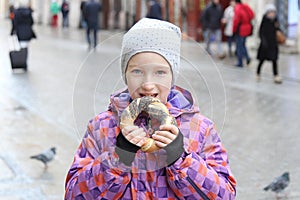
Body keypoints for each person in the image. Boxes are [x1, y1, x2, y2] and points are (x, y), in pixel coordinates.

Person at [64, 18, 236, 199]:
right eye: (137, 71)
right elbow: (73, 195)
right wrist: (117, 159)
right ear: (125, 74)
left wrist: (181, 159)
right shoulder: (101, 127)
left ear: (172, 76)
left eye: (160, 72)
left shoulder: (200, 129)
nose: (147, 84)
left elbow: (225, 196)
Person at [256, 4, 282, 84]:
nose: (272, 14)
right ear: (267, 13)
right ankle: (258, 73)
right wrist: (264, 42)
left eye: (273, 12)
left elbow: (278, 29)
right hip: (265, 44)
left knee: (274, 60)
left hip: (273, 43)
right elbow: (261, 32)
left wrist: (280, 33)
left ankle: (276, 75)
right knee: (262, 60)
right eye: (271, 12)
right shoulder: (265, 20)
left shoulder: (275, 21)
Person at [11, 0, 36, 70]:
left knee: (21, 46)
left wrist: (12, 31)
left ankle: (21, 62)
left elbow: (14, 23)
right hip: (27, 32)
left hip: (20, 32)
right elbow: (32, 22)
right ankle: (24, 62)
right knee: (25, 47)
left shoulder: (16, 12)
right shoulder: (29, 12)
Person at [232, 0, 254, 67]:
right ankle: (247, 57)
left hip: (240, 29)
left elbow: (236, 20)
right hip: (247, 28)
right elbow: (252, 15)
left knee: (239, 46)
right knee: (243, 44)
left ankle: (240, 62)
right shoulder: (245, 7)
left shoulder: (237, 8)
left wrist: (233, 29)